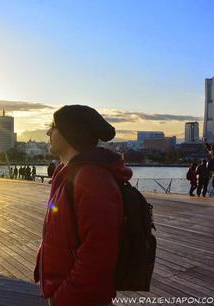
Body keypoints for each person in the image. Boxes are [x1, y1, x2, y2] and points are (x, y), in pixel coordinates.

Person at [34, 105, 131, 306]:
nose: (48, 132)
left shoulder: (91, 177)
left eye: (54, 126)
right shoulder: (67, 172)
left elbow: (99, 253)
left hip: (79, 299)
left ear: (71, 133)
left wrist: (65, 296)